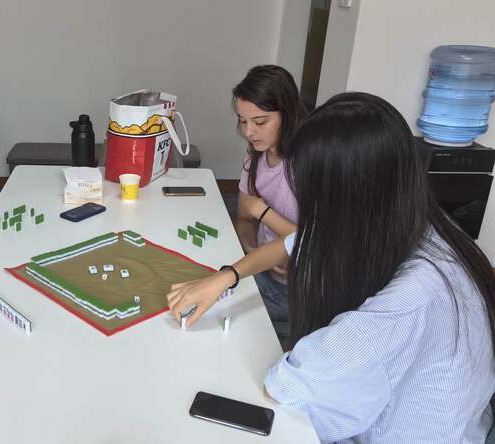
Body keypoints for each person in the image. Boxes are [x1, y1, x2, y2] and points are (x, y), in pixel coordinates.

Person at [167, 92, 495, 442]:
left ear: (344, 194)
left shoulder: (406, 302)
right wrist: (227, 276)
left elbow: (285, 387)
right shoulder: (410, 221)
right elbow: (297, 242)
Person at [232, 65, 307, 338]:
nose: (249, 132)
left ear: (288, 114)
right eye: (243, 121)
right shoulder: (255, 156)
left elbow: (314, 241)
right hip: (264, 274)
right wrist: (254, 252)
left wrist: (261, 211)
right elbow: (243, 218)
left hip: (299, 291)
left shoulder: (308, 163)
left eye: (260, 122)